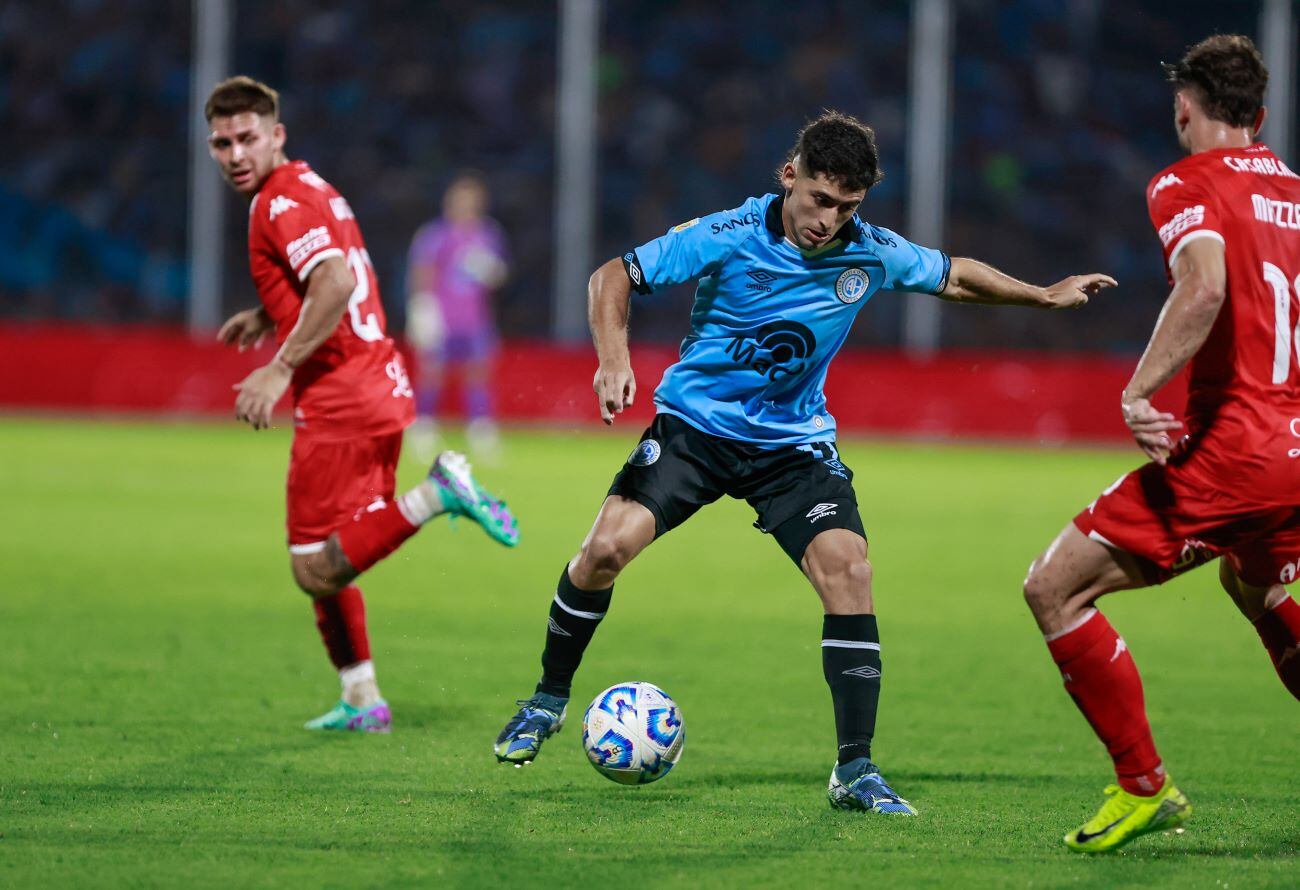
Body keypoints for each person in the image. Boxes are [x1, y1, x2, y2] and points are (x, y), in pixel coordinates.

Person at [492, 110, 1114, 813]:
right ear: (790, 177)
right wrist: (613, 361)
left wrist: (1042, 294)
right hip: (696, 430)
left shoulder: (869, 250)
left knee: (849, 569)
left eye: (848, 206)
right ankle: (546, 702)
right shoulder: (725, 235)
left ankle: (854, 770)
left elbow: (954, 277)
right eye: (820, 199)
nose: (829, 219)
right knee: (603, 550)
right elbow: (613, 276)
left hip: (792, 447)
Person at [1022, 35, 1300, 853]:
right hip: (1294, 449)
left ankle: (1143, 785)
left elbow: (1205, 282)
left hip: (1237, 453)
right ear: (1260, 112)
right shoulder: (1298, 193)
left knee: (1054, 590)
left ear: (1186, 104)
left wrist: (1138, 389)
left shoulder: (1183, 182)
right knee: (1255, 593)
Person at [206, 76, 519, 732]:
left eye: (246, 138)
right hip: (378, 385)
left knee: (310, 566)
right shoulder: (312, 187)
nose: (234, 154)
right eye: (221, 143)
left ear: (276, 135)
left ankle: (438, 493)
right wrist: (273, 315)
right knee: (333, 552)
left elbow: (336, 279)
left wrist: (278, 368)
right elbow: (333, 273)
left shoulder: (278, 202)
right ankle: (361, 698)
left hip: (341, 398)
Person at [405, 171, 509, 460]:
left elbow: (497, 276)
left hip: (475, 317)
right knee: (432, 373)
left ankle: (480, 428)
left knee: (478, 373)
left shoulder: (488, 234)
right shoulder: (435, 234)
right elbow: (422, 270)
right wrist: (421, 306)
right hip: (442, 315)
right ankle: (423, 426)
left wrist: (492, 271)